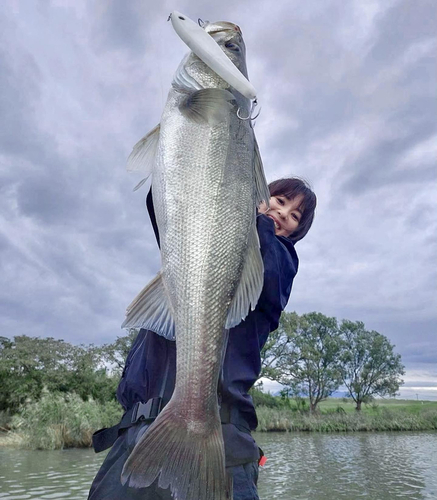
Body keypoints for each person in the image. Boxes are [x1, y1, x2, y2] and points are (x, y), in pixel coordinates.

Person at [88, 177, 317, 500]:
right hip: (137, 438)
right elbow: (165, 199)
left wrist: (257, 220)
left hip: (221, 442)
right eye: (280, 201)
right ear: (259, 196)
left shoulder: (282, 263)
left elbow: (264, 269)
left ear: (295, 232)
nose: (283, 214)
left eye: (294, 216)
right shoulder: (195, 249)